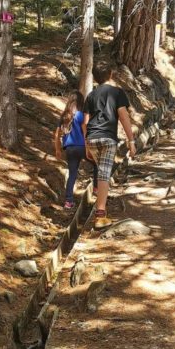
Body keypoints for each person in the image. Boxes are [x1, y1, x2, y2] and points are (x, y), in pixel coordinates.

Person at [83, 65, 136, 229]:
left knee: (101, 172)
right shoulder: (117, 93)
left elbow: (84, 122)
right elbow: (124, 116)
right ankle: (100, 215)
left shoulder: (91, 95)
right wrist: (131, 140)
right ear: (111, 73)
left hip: (92, 138)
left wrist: (86, 145)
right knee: (105, 174)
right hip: (108, 138)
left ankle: (100, 206)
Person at [54, 91, 97, 210]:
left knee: (72, 174)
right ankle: (97, 188)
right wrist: (89, 146)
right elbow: (85, 131)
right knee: (97, 164)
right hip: (82, 147)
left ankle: (68, 201)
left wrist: (58, 149)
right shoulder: (81, 115)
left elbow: (57, 134)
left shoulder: (65, 116)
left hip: (69, 149)